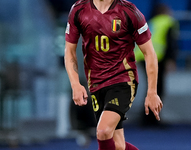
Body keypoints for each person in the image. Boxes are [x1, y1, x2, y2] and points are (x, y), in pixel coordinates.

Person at [64, 0, 163, 149]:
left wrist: (152, 92)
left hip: (122, 80)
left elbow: (149, 53)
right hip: (96, 84)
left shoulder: (128, 11)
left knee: (103, 131)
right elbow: (69, 51)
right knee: (118, 146)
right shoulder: (79, 10)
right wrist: (75, 84)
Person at [134, 3, 179, 126]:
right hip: (156, 58)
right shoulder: (167, 22)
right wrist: (171, 59)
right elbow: (171, 43)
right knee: (158, 89)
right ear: (164, 11)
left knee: (152, 89)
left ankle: (147, 118)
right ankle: (152, 119)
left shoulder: (151, 22)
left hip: (143, 57)